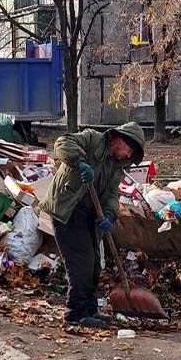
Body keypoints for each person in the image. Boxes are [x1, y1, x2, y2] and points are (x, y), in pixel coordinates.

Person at [40, 122, 145, 327]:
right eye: (130, 150)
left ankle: (90, 309)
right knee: (81, 264)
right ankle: (74, 313)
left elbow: (113, 195)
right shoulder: (93, 139)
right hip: (68, 210)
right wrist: (79, 162)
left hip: (91, 216)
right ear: (121, 139)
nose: (128, 156)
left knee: (95, 265)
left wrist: (108, 214)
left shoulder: (117, 167)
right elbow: (62, 143)